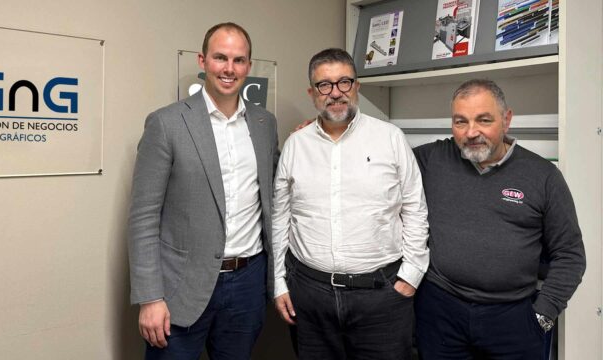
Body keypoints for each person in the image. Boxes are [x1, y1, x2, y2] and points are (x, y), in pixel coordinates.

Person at [127, 22, 279, 360]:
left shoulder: (264, 124)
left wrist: (315, 132)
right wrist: (150, 298)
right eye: (220, 57)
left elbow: (276, 190)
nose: (229, 68)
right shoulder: (166, 123)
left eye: (239, 60)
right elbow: (143, 217)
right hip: (180, 288)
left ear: (249, 67)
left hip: (247, 284)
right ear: (202, 60)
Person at [271, 48, 429, 360]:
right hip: (310, 296)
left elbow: (415, 207)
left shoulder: (390, 138)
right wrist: (278, 283)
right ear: (312, 93)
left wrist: (411, 273)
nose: (336, 93)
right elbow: (280, 218)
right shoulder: (296, 145)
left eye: (344, 82)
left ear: (356, 86)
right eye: (324, 85)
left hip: (381, 297)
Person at [413, 79, 586, 359]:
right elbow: (382, 158)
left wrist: (543, 315)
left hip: (513, 318)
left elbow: (571, 255)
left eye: (484, 120)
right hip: (441, 312)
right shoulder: (434, 158)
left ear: (507, 120)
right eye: (460, 122)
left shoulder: (543, 176)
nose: (471, 132)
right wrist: (319, 130)